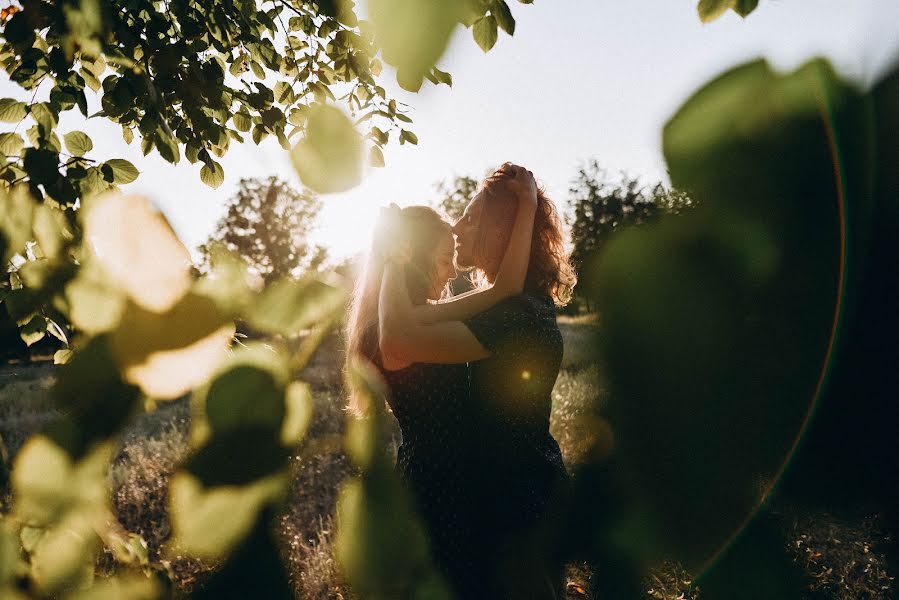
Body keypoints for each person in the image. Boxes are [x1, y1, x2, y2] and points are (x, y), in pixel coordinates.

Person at [379, 163, 577, 599]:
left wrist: (390, 257)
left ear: (498, 232)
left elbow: (400, 336)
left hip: (517, 504)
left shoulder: (515, 314)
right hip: (516, 494)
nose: (456, 225)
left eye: (470, 219)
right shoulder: (521, 303)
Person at [344, 164, 539, 597]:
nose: (453, 272)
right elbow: (502, 290)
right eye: (445, 259)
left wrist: (526, 207)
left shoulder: (423, 315)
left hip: (460, 480)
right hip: (438, 484)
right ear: (413, 257)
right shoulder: (395, 328)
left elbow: (506, 287)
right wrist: (393, 256)